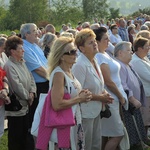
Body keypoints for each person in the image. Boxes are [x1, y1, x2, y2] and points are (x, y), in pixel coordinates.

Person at [36, 36, 92, 150]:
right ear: (61, 56)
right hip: (64, 125)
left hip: (74, 121)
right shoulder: (59, 74)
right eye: (71, 52)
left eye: (75, 51)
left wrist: (82, 94)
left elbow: (70, 92)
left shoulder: (68, 70)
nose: (75, 54)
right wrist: (79, 99)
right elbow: (57, 105)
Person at [72, 28, 113, 150]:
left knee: (96, 144)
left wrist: (104, 93)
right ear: (82, 48)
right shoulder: (79, 65)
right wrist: (100, 97)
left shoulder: (94, 60)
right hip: (86, 113)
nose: (95, 43)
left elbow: (98, 83)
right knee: (87, 145)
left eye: (94, 40)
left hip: (96, 110)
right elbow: (79, 92)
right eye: (90, 42)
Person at [94, 27, 128, 150]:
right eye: (105, 39)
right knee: (118, 134)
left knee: (107, 134)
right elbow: (108, 81)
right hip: (110, 98)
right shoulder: (99, 56)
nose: (108, 41)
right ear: (96, 41)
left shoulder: (105, 53)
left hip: (114, 98)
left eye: (108, 38)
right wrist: (120, 96)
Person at [4, 35, 36, 150]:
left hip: (26, 105)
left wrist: (32, 92)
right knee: (16, 138)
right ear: (13, 51)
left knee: (25, 135)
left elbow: (31, 78)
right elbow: (16, 85)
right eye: (20, 49)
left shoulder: (22, 62)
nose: (23, 50)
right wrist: (28, 97)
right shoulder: (9, 66)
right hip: (17, 108)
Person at [114, 41, 149, 149]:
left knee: (137, 127)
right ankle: (135, 146)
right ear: (120, 53)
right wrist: (132, 99)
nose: (131, 52)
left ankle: (140, 143)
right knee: (132, 129)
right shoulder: (119, 65)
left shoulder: (127, 63)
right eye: (129, 50)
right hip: (129, 105)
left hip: (134, 104)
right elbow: (123, 86)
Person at [130, 37, 150, 142]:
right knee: (145, 118)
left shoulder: (143, 58)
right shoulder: (136, 61)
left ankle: (145, 138)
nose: (148, 48)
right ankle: (143, 139)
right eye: (147, 46)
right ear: (139, 48)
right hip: (146, 94)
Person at [0, 37, 10, 139]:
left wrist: (5, 90)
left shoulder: (3, 55)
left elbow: (4, 76)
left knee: (0, 129)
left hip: (2, 98)